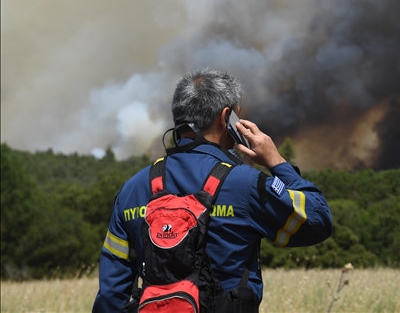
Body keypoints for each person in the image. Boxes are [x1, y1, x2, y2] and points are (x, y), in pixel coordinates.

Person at [93, 69, 333, 312]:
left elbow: (112, 293)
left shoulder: (132, 189)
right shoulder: (246, 184)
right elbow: (318, 220)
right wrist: (277, 161)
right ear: (226, 117)